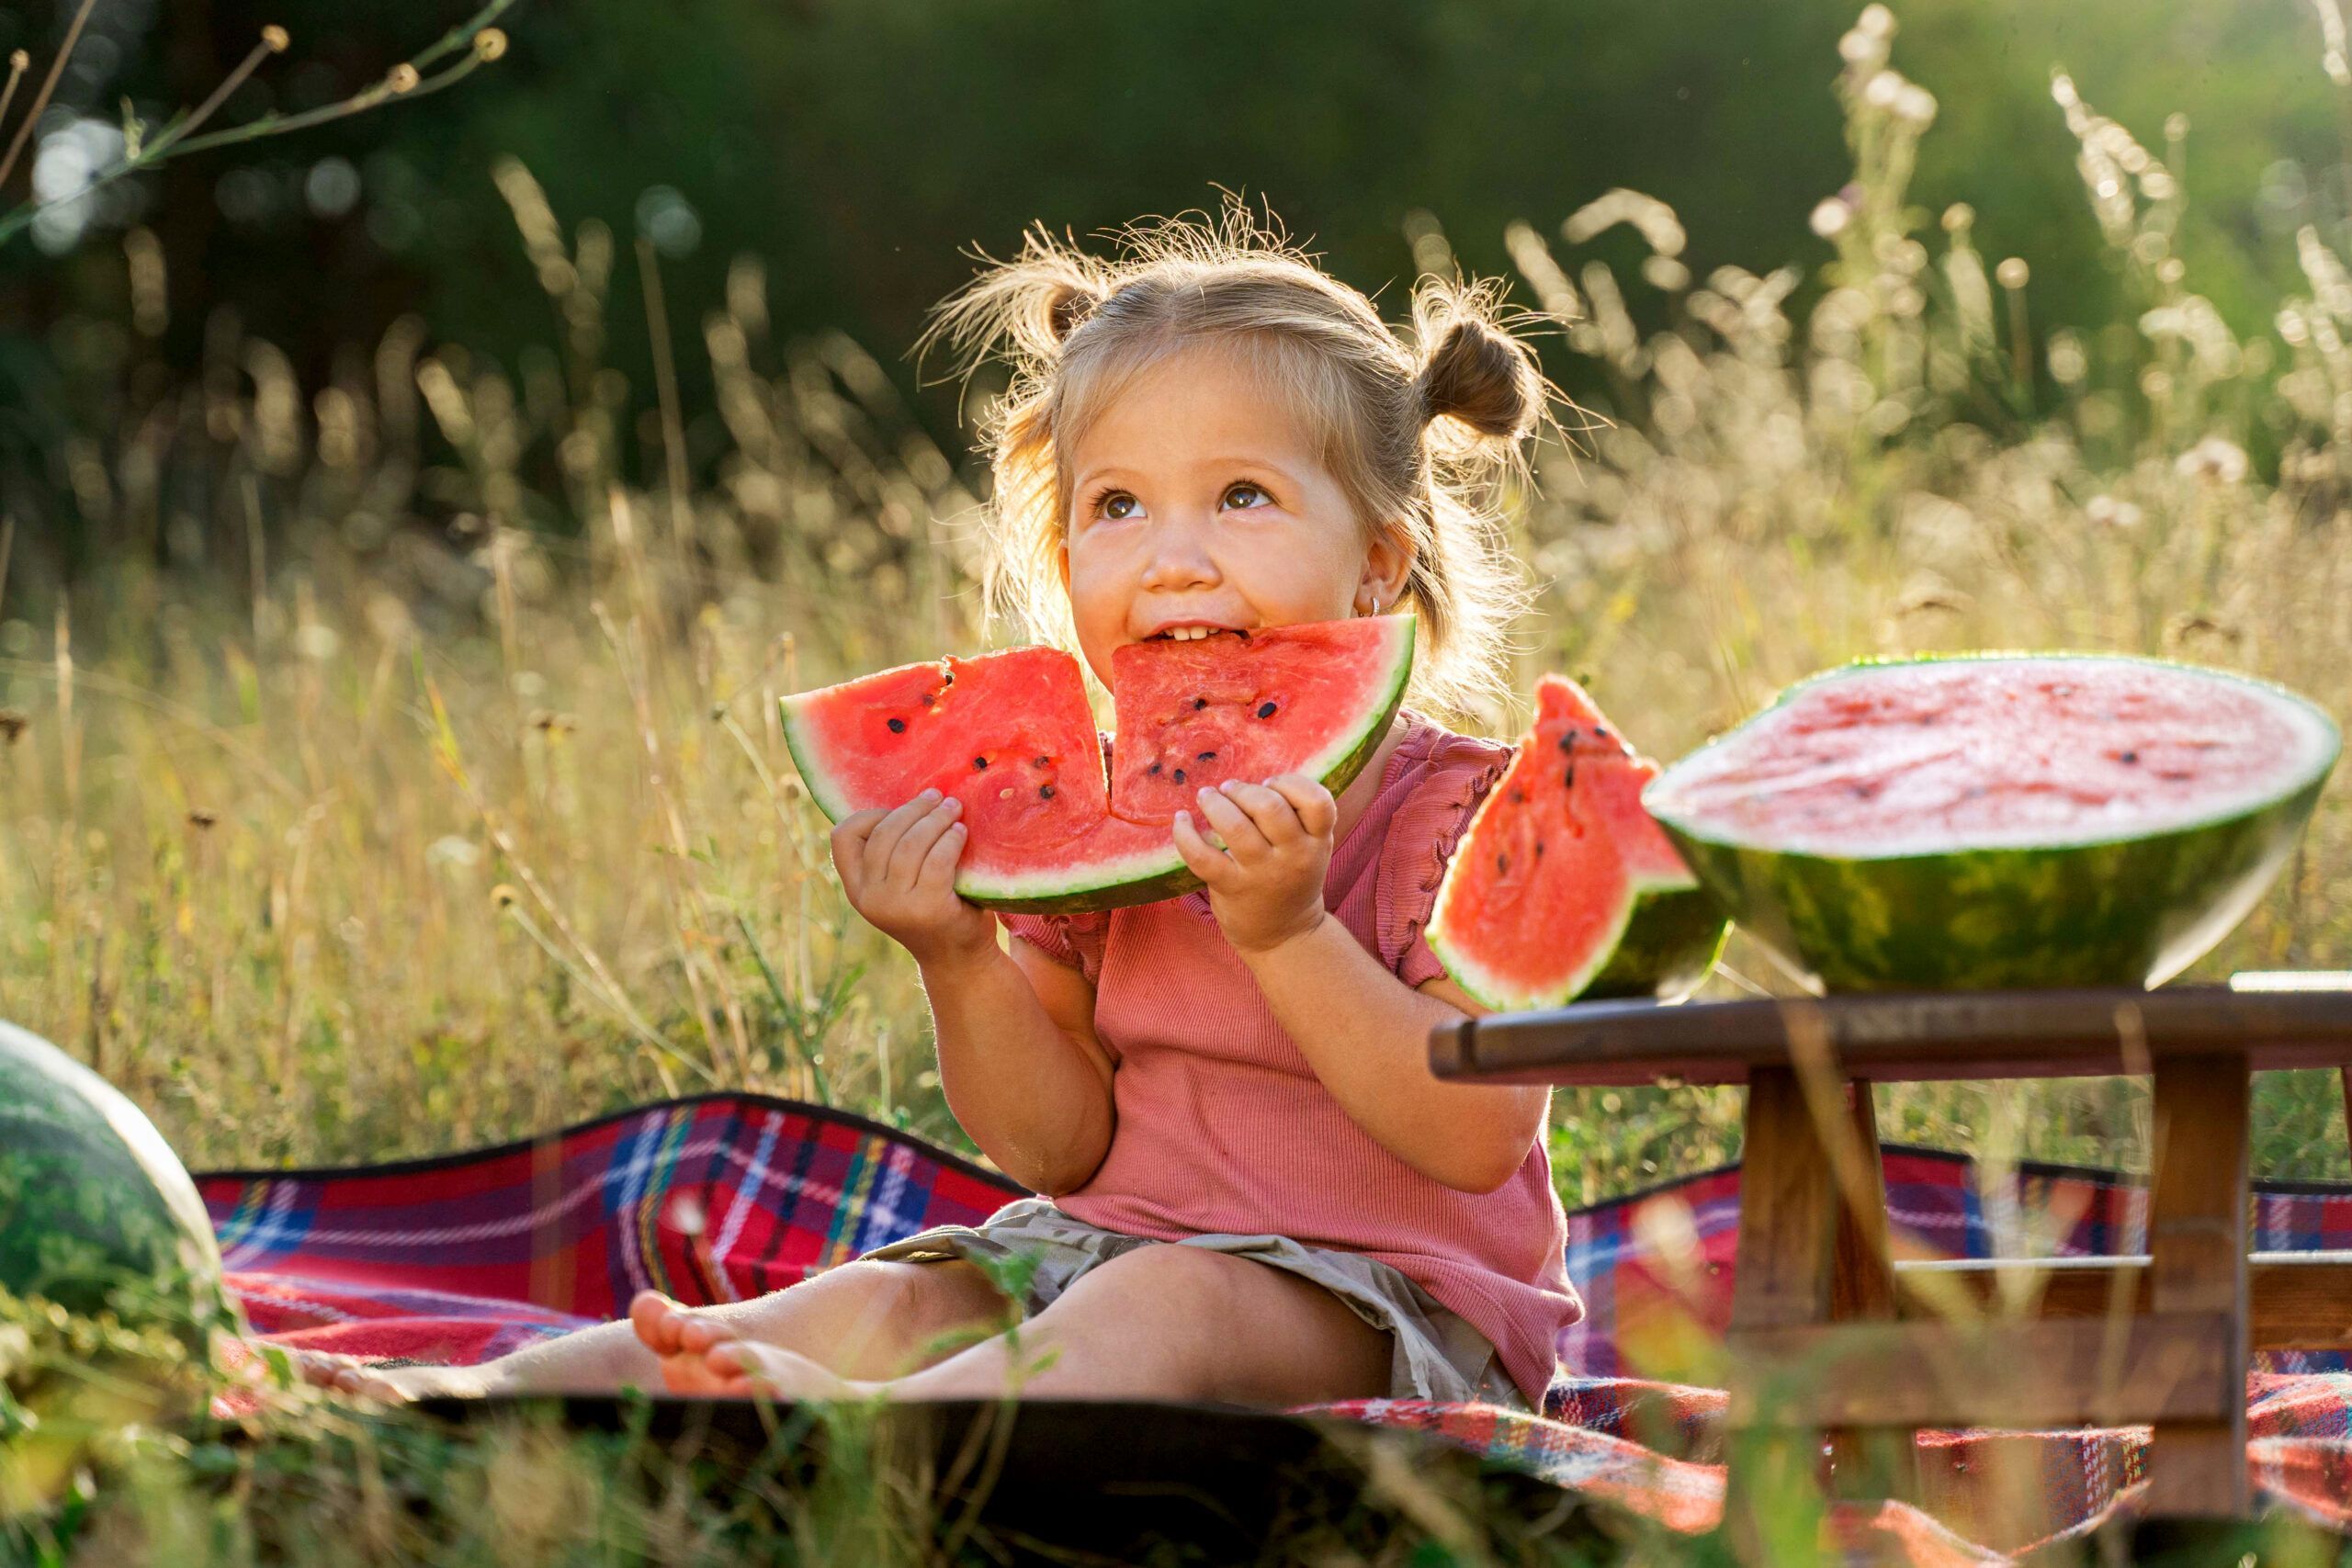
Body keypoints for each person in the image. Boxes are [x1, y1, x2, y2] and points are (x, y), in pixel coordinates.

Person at [307, 207, 1579, 1414]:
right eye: (1116, 505)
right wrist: (957, 956)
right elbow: (1058, 1150)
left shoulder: (1465, 814)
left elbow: (1471, 1138)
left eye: (1242, 496)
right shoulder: (1098, 818)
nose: (1171, 554)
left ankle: (884, 1431)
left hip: (1394, 1304)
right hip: (1098, 1239)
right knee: (883, 1297)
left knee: (1169, 1300)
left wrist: (1287, 932)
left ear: (1380, 559)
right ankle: (461, 1399)